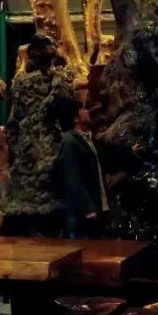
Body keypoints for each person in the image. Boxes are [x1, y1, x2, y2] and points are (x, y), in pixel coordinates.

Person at [51, 97, 107, 239]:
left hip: (94, 208)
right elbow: (72, 179)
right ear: (75, 118)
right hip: (82, 215)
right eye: (82, 109)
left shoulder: (85, 139)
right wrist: (88, 208)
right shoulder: (70, 142)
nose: (87, 111)